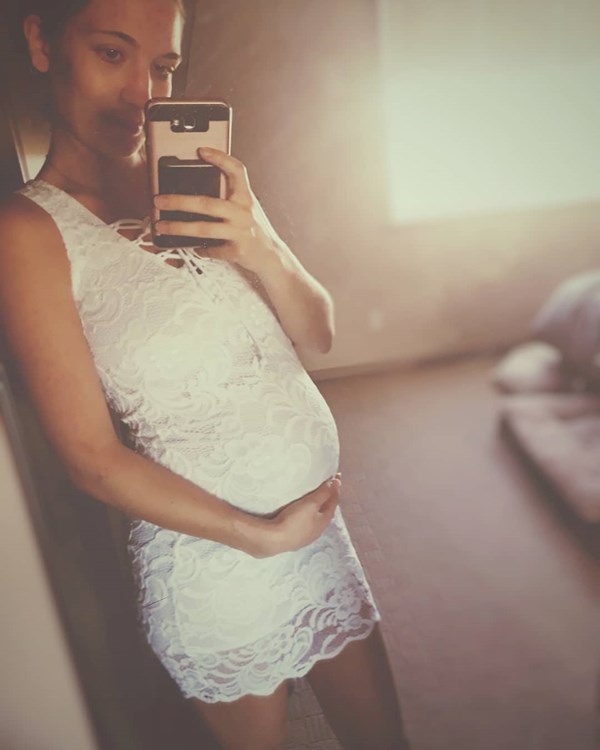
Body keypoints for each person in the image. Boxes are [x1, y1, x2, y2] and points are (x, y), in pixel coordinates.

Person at [0, 1, 410, 748]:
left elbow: (318, 333)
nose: (144, 94)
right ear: (41, 42)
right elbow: (90, 458)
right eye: (112, 53)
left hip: (319, 540)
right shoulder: (30, 233)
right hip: (213, 570)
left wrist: (260, 246)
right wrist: (256, 536)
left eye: (163, 66)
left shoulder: (204, 183)